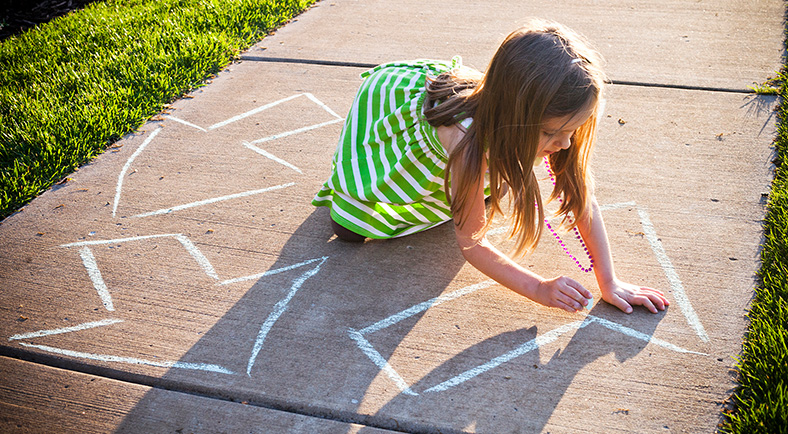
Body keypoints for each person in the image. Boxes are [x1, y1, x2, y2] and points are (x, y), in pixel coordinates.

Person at [313, 20, 669, 315]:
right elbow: (471, 243)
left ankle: (476, 183)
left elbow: (581, 197)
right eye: (551, 133)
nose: (564, 143)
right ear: (516, 118)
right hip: (402, 116)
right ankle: (356, 199)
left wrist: (609, 281)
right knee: (348, 229)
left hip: (488, 130)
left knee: (483, 186)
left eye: (572, 130)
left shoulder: (553, 124)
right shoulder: (467, 146)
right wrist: (539, 288)